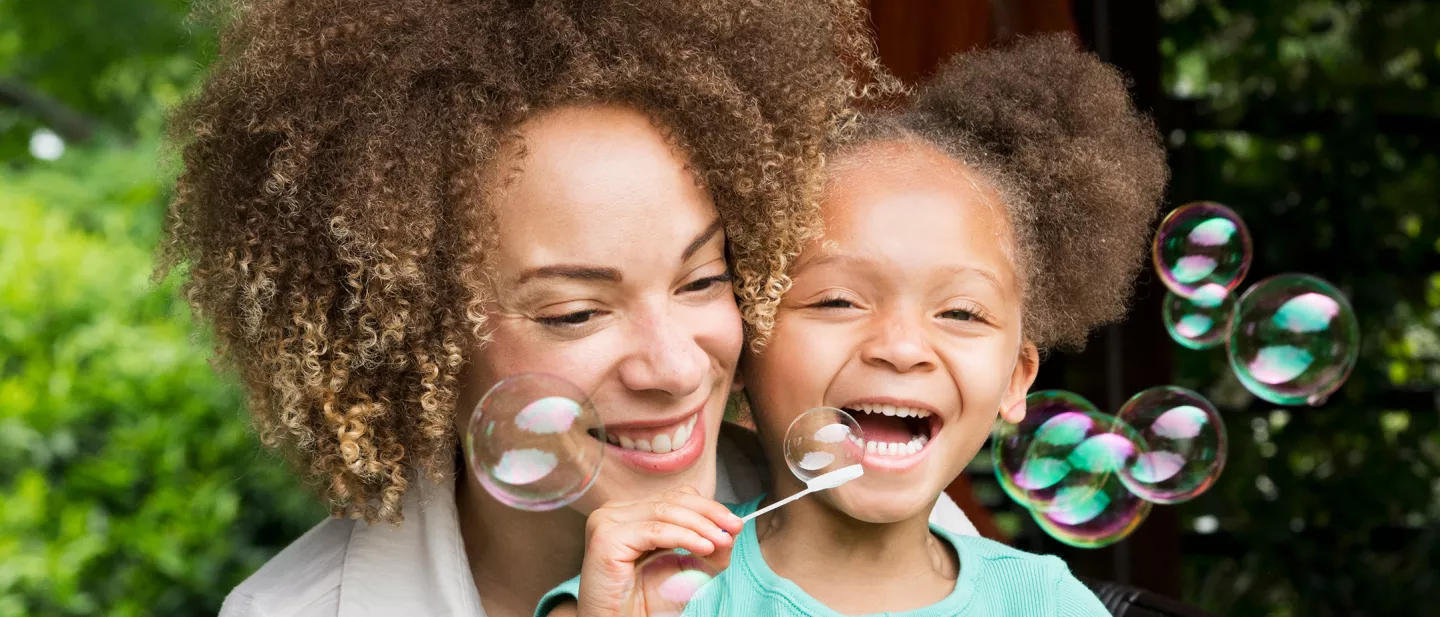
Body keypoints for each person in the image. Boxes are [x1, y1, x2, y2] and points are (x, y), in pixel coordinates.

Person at [158, 1, 976, 615]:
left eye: (700, 281)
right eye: (576, 313)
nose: (675, 367)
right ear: (412, 338)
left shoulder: (897, 540)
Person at [539, 34, 1168, 617]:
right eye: (838, 301)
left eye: (960, 312)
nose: (900, 348)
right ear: (745, 350)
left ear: (1016, 378)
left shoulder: (1050, 605)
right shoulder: (647, 590)